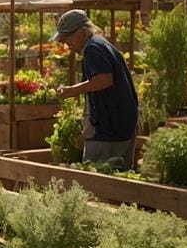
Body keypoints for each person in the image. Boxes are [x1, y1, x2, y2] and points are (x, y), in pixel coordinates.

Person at [53, 9, 139, 169]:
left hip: (109, 129)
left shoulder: (93, 49)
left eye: (67, 38)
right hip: (120, 124)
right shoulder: (100, 44)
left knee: (97, 180)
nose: (66, 44)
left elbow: (104, 79)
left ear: (83, 32)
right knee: (120, 179)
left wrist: (72, 90)